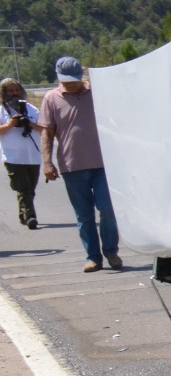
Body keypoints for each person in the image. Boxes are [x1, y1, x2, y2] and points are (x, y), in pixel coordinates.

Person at [38, 56, 119, 272]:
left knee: (108, 209)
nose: (71, 84)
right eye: (67, 81)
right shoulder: (51, 99)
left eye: (74, 79)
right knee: (84, 215)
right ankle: (93, 257)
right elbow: (47, 133)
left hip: (103, 164)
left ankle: (111, 250)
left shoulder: (97, 92)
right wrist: (47, 162)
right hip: (72, 166)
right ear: (59, 78)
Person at [0, 78, 42, 228]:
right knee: (23, 187)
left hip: (33, 156)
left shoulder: (31, 108)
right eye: (10, 91)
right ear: (4, 93)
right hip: (12, 156)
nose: (14, 93)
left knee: (30, 188)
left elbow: (44, 128)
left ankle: (23, 213)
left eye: (16, 90)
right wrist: (9, 124)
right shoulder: (1, 110)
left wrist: (29, 123)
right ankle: (31, 216)